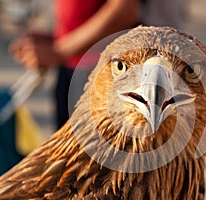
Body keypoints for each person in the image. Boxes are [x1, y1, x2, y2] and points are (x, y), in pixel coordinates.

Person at [9, 0, 142, 130]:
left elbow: (125, 10)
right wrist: (56, 41)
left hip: (102, 73)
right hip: (73, 67)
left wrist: (60, 50)